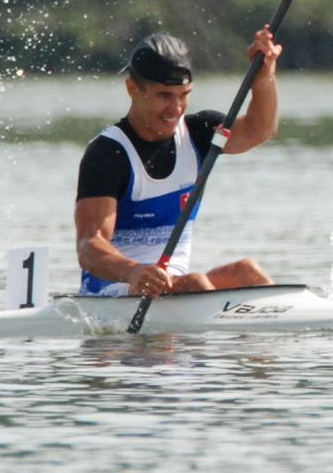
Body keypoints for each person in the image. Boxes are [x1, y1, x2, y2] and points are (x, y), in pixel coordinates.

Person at [75, 27, 282, 298]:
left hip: (175, 287)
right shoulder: (108, 154)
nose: (175, 109)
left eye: (183, 95)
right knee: (195, 284)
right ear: (133, 89)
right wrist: (134, 271)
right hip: (112, 289)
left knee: (248, 272)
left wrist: (264, 75)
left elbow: (259, 130)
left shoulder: (199, 132)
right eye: (164, 96)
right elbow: (89, 246)